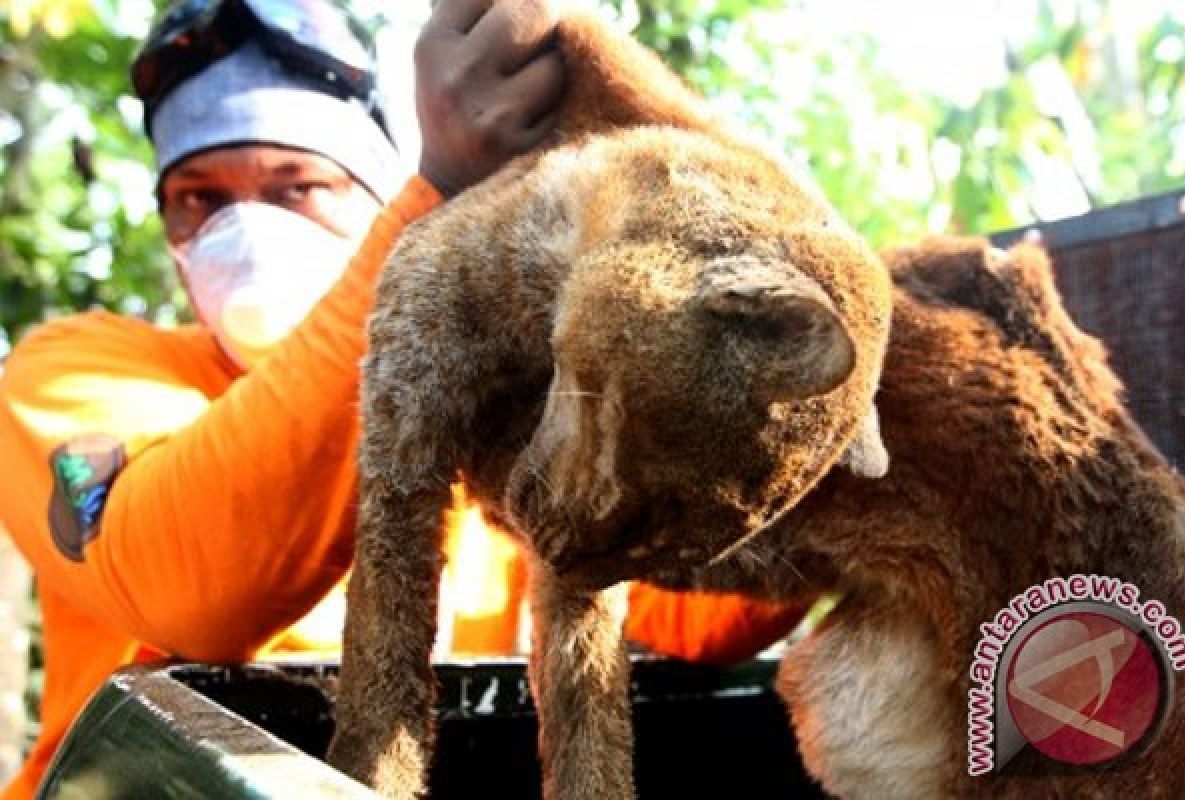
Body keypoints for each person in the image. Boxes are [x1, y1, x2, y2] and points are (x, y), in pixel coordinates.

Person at [0, 1, 807, 796]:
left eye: (296, 186)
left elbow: (693, 605)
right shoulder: (76, 370)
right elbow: (189, 588)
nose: (244, 226)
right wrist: (440, 200)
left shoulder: (495, 413)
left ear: (367, 196)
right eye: (199, 197)